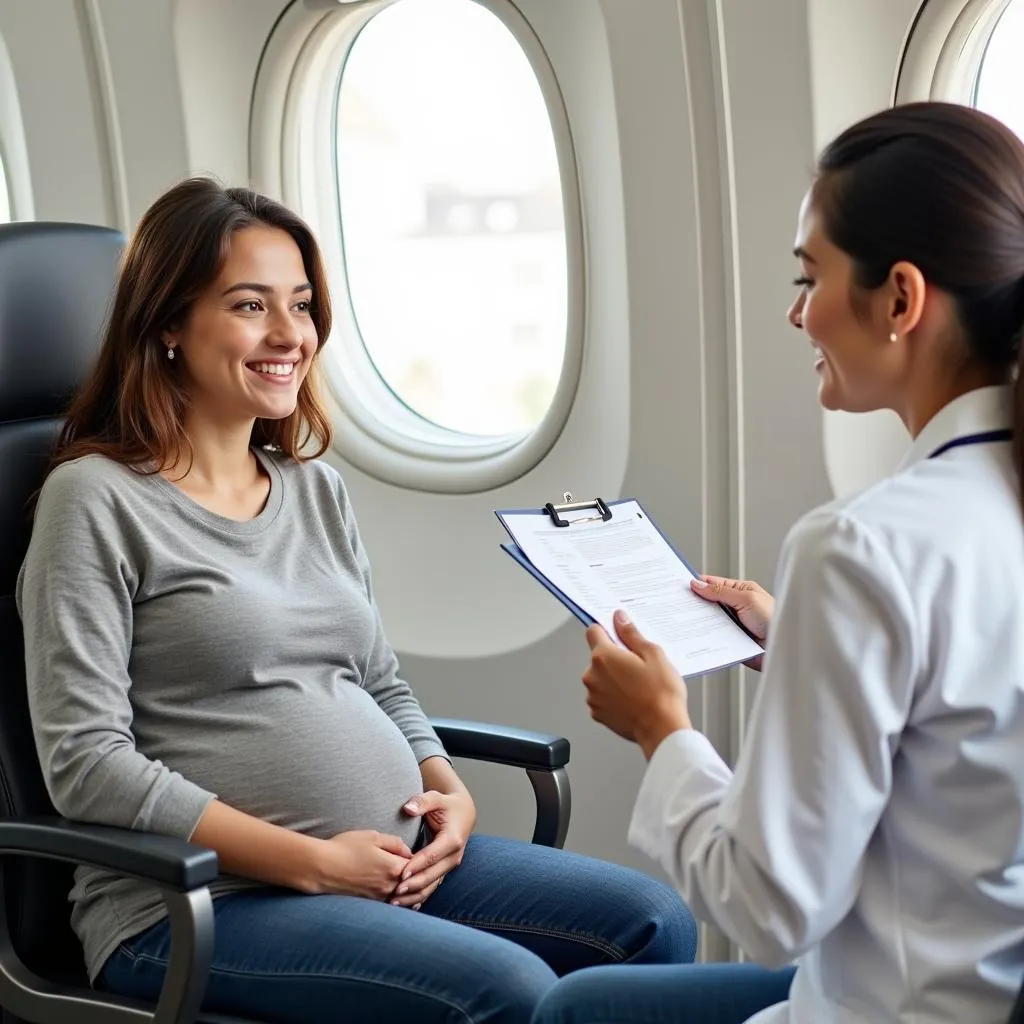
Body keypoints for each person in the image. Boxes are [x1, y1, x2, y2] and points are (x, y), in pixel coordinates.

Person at [16, 177, 697, 1024]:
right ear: (166, 328)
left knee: (653, 924)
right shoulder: (94, 500)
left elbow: (378, 679)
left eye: (300, 305)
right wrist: (307, 862)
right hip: (197, 905)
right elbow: (85, 764)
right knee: (510, 993)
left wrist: (450, 792)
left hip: (395, 860)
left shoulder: (312, 489)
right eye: (249, 305)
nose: (288, 335)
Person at [531, 100, 1024, 1024]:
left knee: (569, 1013)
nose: (798, 314)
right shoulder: (992, 508)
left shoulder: (861, 546)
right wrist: (800, 639)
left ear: (902, 299)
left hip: (892, 1006)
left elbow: (769, 906)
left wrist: (660, 728)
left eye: (809, 277)